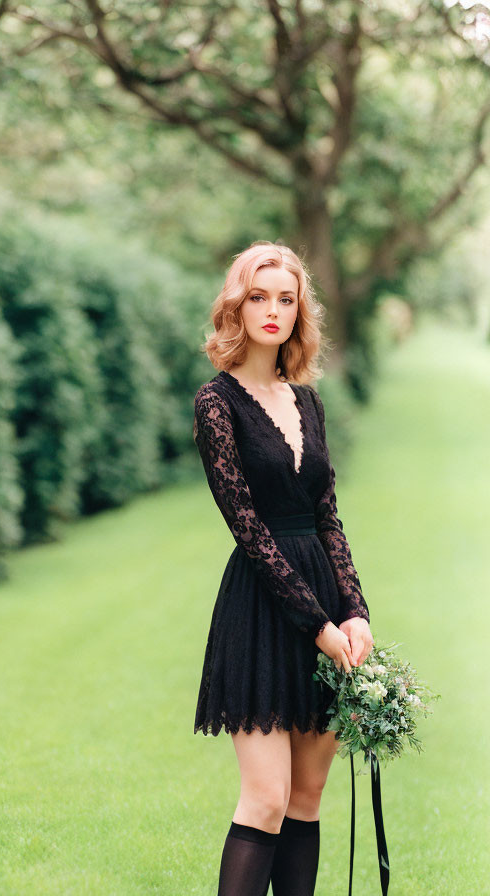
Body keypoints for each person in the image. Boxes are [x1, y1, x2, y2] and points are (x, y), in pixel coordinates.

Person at [192, 241, 375, 895]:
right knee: (265, 798)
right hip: (264, 607)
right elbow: (248, 529)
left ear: (300, 312)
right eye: (258, 297)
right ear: (236, 307)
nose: (272, 310)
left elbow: (328, 516)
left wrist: (354, 613)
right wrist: (317, 624)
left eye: (286, 299)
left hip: (325, 602)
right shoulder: (216, 405)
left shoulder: (308, 402)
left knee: (306, 797)